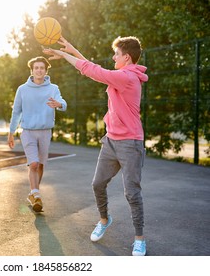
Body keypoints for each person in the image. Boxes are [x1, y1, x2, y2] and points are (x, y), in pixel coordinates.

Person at [43, 36, 148, 256]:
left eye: (116, 54)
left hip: (130, 143)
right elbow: (95, 69)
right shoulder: (120, 75)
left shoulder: (127, 77)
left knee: (132, 193)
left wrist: (64, 55)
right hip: (111, 141)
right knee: (98, 184)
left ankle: (139, 239)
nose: (113, 57)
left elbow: (94, 71)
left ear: (126, 57)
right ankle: (104, 219)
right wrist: (72, 49)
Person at [7, 56, 67, 212]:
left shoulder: (53, 88)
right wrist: (11, 132)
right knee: (33, 164)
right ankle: (36, 194)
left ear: (46, 71)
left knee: (40, 165)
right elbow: (16, 112)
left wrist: (59, 104)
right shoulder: (22, 89)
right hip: (28, 132)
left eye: (42, 68)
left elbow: (63, 103)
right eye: (36, 68)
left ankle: (34, 194)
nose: (39, 70)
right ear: (32, 71)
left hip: (45, 132)